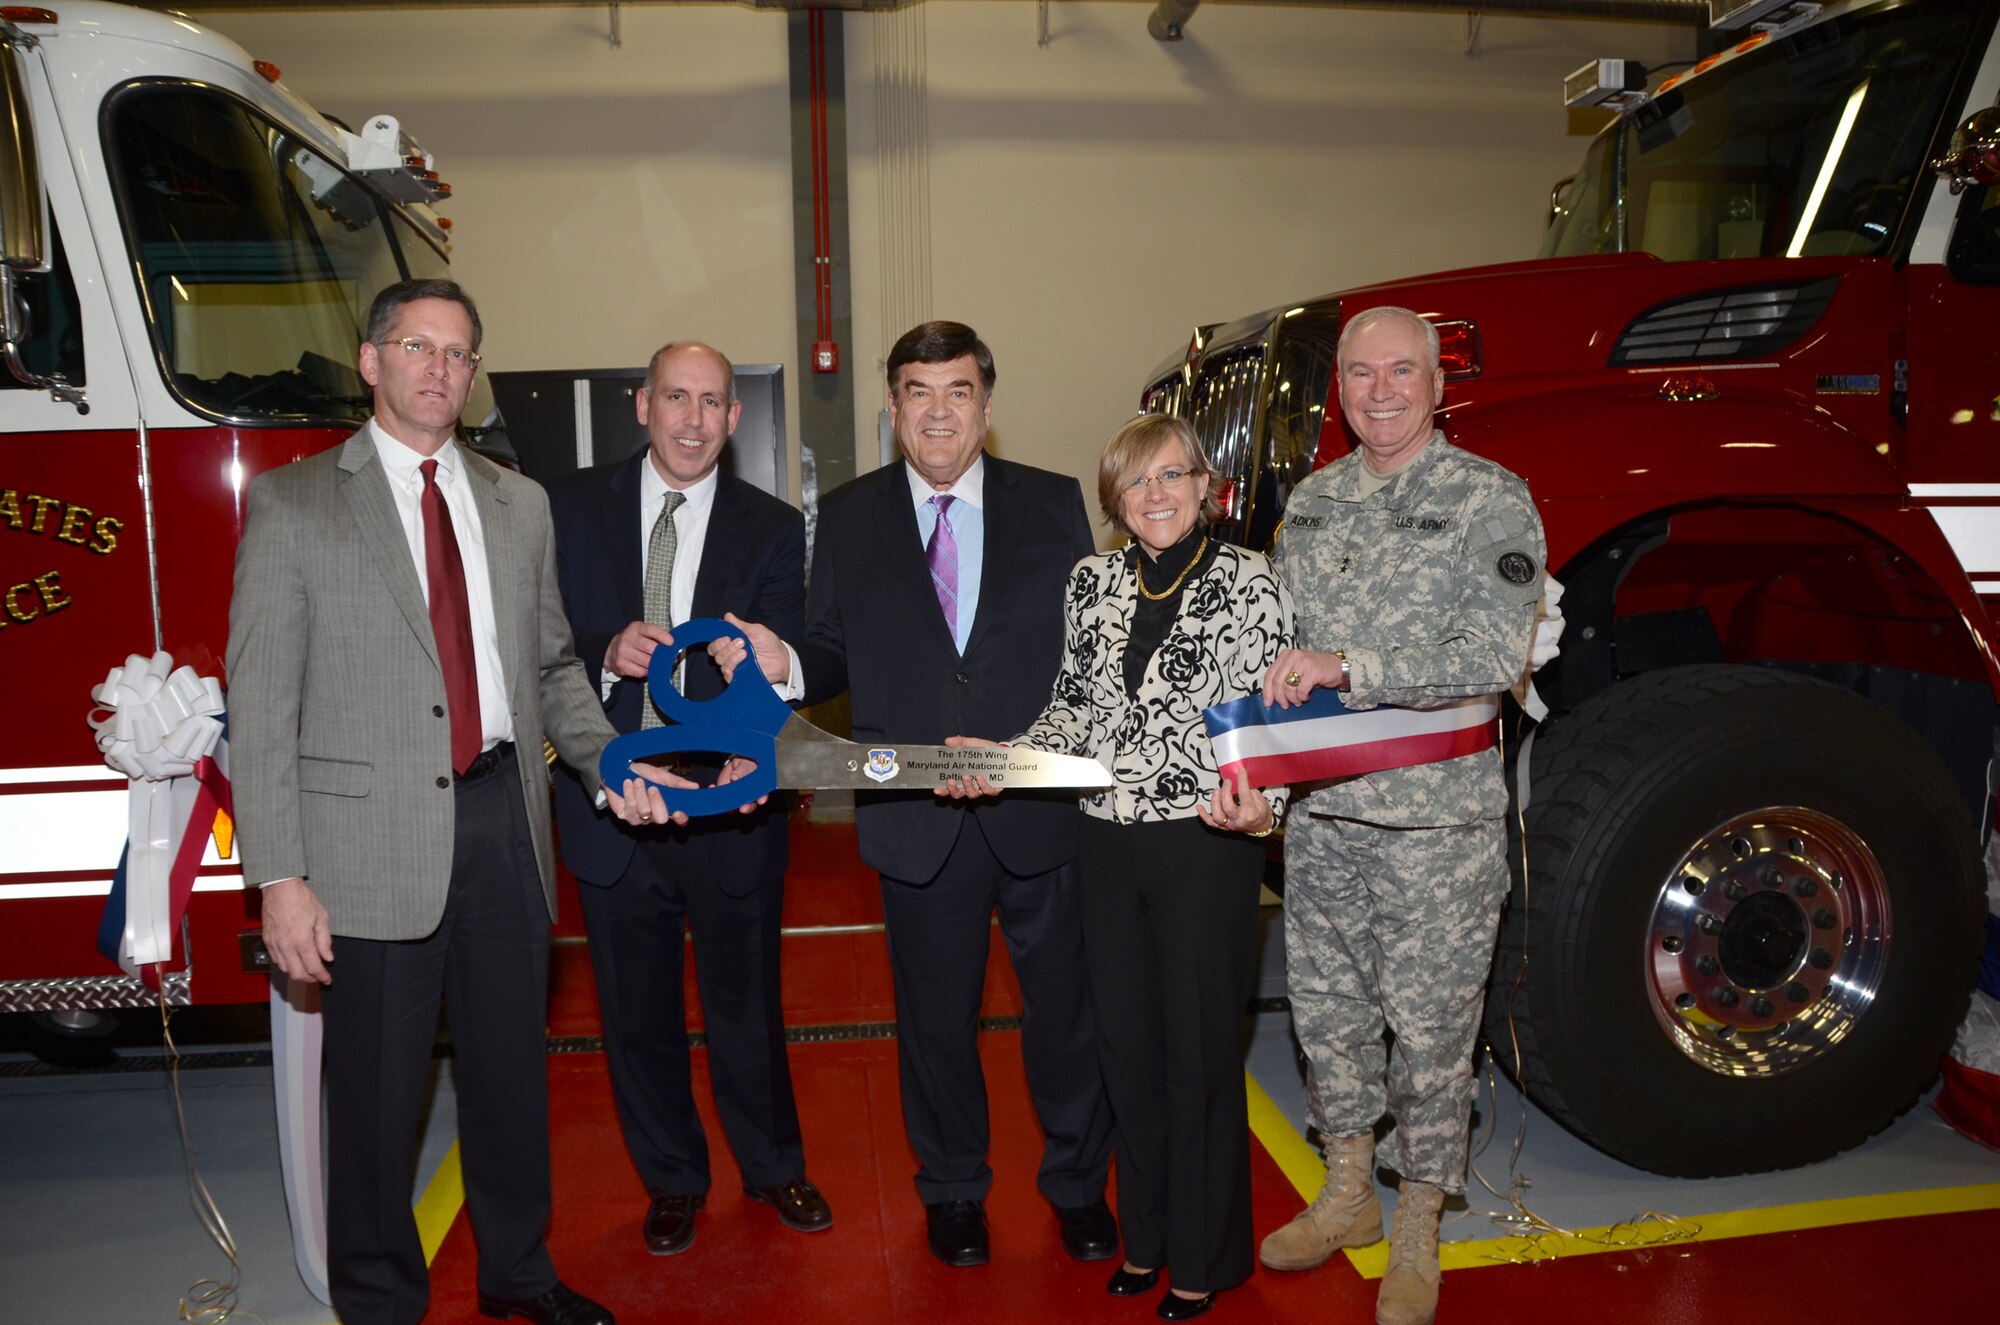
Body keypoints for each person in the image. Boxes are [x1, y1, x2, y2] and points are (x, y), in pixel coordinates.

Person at [228, 278, 679, 1325]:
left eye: (459, 352)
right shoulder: (294, 504)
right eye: (418, 346)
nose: (440, 367)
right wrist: (280, 878)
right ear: (371, 360)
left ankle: (518, 1271)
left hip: (503, 827)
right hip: (365, 845)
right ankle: (380, 1302)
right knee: (378, 1100)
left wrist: (611, 765)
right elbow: (261, 703)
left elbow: (554, 669)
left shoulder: (518, 504)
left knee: (512, 1084)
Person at [716, 321, 1117, 1269]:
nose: (939, 410)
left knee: (1064, 1013)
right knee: (935, 1024)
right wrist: (781, 662)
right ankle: (952, 1191)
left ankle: (1076, 1186)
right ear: (892, 408)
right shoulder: (849, 517)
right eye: (918, 392)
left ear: (987, 403)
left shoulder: (1053, 503)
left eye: (959, 391)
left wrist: (1029, 748)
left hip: (1034, 808)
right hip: (914, 816)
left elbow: (1084, 658)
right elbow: (830, 652)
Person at [940, 414, 1294, 1321]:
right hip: (1104, 837)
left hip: (1206, 841)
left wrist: (1267, 807)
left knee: (1199, 1054)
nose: (1156, 495)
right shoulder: (1091, 583)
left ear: (1203, 486)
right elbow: (1072, 714)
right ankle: (1145, 1239)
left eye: (1172, 475)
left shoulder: (1252, 580)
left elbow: (1268, 724)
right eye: (1137, 483)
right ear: (1115, 500)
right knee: (1126, 1051)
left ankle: (1205, 1256)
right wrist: (1005, 757)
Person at [1254, 306, 1545, 1325]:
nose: (1379, 390)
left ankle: (1416, 1218)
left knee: (1429, 1031)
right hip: (1323, 813)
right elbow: (1277, 649)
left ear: (1434, 382)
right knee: (1328, 1014)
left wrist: (1353, 669)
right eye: (1359, 373)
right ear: (1337, 387)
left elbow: (1485, 657)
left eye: (1399, 372)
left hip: (1435, 829)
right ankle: (1346, 1194)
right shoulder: (1314, 501)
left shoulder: (1487, 498)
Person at [544, 341, 831, 1260]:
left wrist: (762, 661)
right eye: (677, 397)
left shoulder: (774, 526)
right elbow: (538, 636)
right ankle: (672, 1180)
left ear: (735, 418)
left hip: (729, 805)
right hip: (613, 804)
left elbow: (791, 667)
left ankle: (773, 1164)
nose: (693, 419)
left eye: (713, 402)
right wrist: (606, 646)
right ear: (643, 403)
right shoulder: (565, 508)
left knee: (747, 1003)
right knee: (636, 1013)